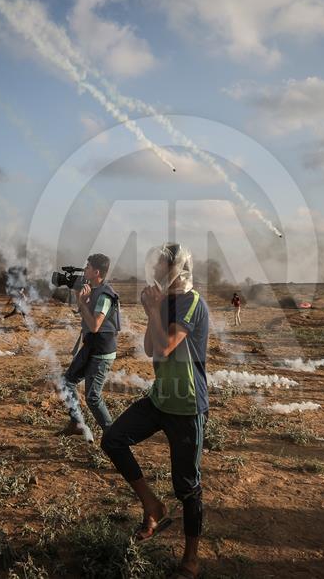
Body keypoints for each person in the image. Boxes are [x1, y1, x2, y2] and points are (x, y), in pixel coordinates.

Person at [101, 243, 209, 579]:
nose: (156, 269)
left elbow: (165, 346)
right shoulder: (169, 301)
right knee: (114, 440)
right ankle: (152, 505)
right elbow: (151, 349)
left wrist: (153, 310)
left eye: (162, 264)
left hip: (187, 404)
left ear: (178, 268)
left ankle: (191, 558)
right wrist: (157, 309)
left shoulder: (192, 302)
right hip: (161, 398)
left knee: (187, 486)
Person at [61, 254, 121, 437]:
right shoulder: (94, 290)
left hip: (101, 351)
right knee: (67, 382)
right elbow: (88, 319)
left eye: (87, 267)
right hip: (91, 347)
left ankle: (113, 436)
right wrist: (81, 299)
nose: (84, 270)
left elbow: (95, 325)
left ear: (96, 272)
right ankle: (77, 424)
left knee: (93, 397)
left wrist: (81, 302)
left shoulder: (104, 295)